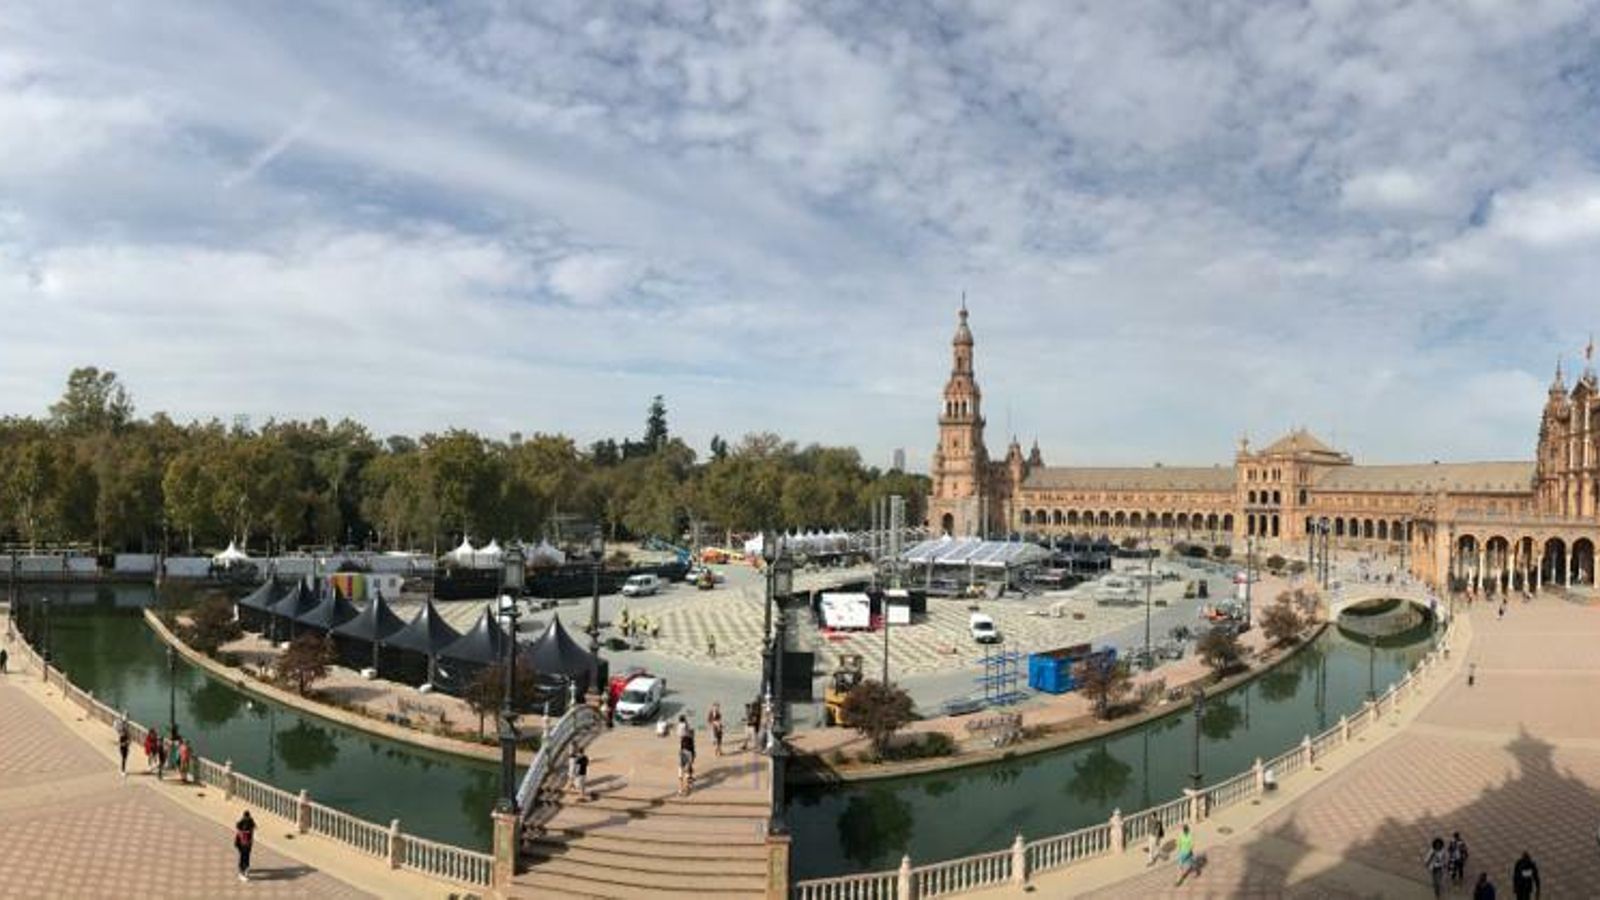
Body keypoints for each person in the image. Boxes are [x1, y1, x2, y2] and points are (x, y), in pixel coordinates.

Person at [234, 810, 256, 882]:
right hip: (245, 844)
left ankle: (244, 870)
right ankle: (242, 872)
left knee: (244, 856)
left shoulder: (244, 822)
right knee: (244, 856)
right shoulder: (247, 823)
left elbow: (239, 832)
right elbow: (251, 832)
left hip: (244, 844)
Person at [678, 723, 696, 796]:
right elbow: (692, 750)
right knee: (687, 773)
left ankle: (680, 789)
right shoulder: (691, 740)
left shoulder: (683, 738)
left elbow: (681, 747)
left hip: (682, 753)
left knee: (681, 773)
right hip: (688, 754)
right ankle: (686, 789)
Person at [114, 713, 131, 778]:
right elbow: (121, 742)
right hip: (123, 746)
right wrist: (125, 743)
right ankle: (122, 770)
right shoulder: (122, 735)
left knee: (125, 758)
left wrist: (128, 743)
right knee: (124, 758)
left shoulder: (125, 727)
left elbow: (128, 737)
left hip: (125, 745)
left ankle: (122, 769)